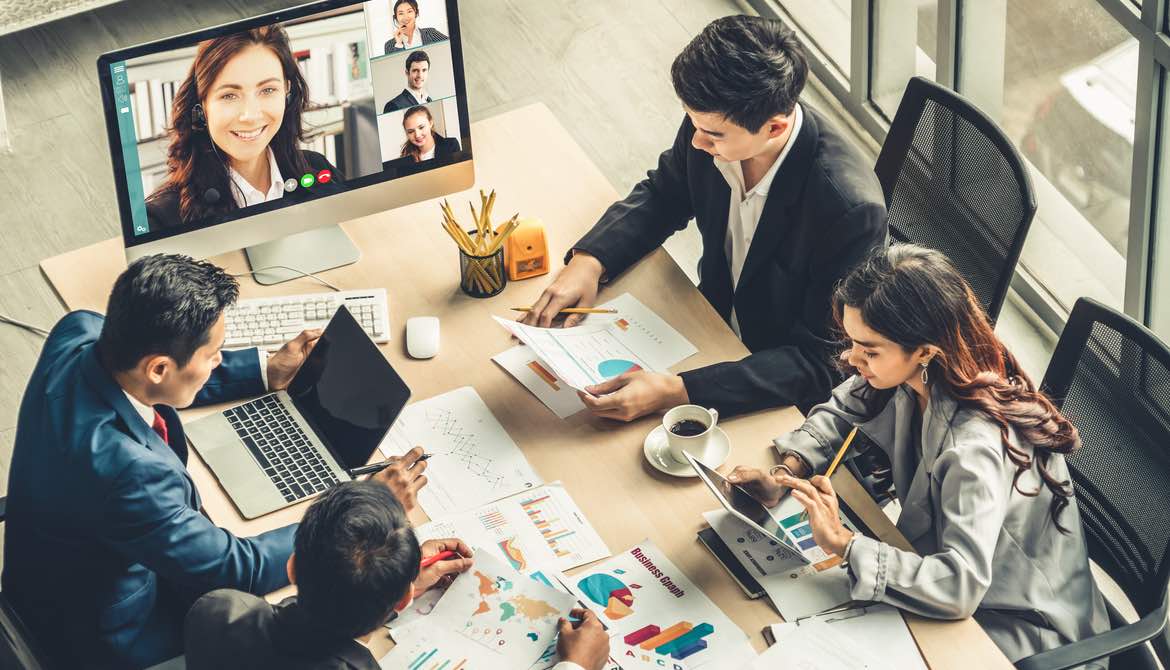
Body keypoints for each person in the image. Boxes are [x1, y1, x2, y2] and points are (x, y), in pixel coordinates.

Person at [1, 255, 428, 669]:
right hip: (109, 637)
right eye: (214, 354)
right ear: (160, 368)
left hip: (40, 573)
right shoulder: (128, 475)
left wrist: (265, 370)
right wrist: (358, 523)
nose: (219, 359)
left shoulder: (80, 331)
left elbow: (154, 380)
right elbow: (234, 568)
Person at [726, 244, 1110, 665]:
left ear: (925, 351)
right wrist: (784, 473)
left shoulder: (973, 449)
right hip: (947, 583)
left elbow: (959, 586)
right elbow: (840, 413)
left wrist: (844, 543)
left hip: (1016, 631)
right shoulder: (913, 372)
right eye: (854, 342)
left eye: (869, 350)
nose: (851, 359)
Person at [520, 15, 887, 421]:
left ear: (775, 126)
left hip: (768, 384)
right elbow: (666, 193)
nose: (696, 141)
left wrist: (680, 392)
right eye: (693, 123)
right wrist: (591, 261)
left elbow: (822, 362)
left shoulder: (849, 211)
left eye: (712, 134)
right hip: (706, 325)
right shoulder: (714, 122)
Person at [185, 480, 611, 670]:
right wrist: (575, 667)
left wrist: (380, 578)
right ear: (406, 601)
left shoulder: (217, 610)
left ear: (292, 566)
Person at [146, 25, 346, 230]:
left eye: (268, 90)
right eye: (229, 95)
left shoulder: (318, 170)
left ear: (287, 91)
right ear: (202, 105)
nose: (250, 116)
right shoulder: (161, 218)